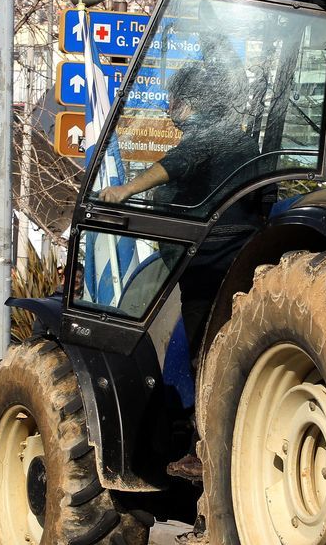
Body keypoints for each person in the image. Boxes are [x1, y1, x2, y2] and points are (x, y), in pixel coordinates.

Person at [99, 63, 263, 352]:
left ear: (189, 103)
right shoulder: (242, 140)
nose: (168, 107)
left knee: (204, 347)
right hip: (238, 253)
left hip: (210, 261)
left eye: (173, 99)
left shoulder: (213, 137)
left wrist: (127, 189)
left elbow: (179, 162)